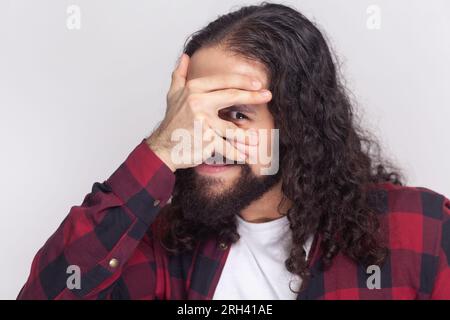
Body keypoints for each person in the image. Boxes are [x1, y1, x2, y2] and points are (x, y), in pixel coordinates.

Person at [18, 2, 450, 300]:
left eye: (237, 115)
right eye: (193, 113)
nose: (206, 138)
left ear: (297, 125)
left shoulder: (423, 231)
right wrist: (159, 151)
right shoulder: (161, 245)